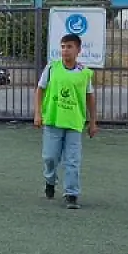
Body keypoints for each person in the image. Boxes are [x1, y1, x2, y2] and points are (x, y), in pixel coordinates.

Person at [35, 34, 98, 209]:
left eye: (69, 47)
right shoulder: (52, 68)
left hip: (74, 123)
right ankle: (50, 181)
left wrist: (93, 122)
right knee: (50, 157)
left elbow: (90, 98)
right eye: (63, 46)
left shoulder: (84, 73)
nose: (65, 50)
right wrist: (38, 114)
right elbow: (40, 90)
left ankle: (71, 194)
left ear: (78, 50)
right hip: (53, 121)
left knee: (73, 160)